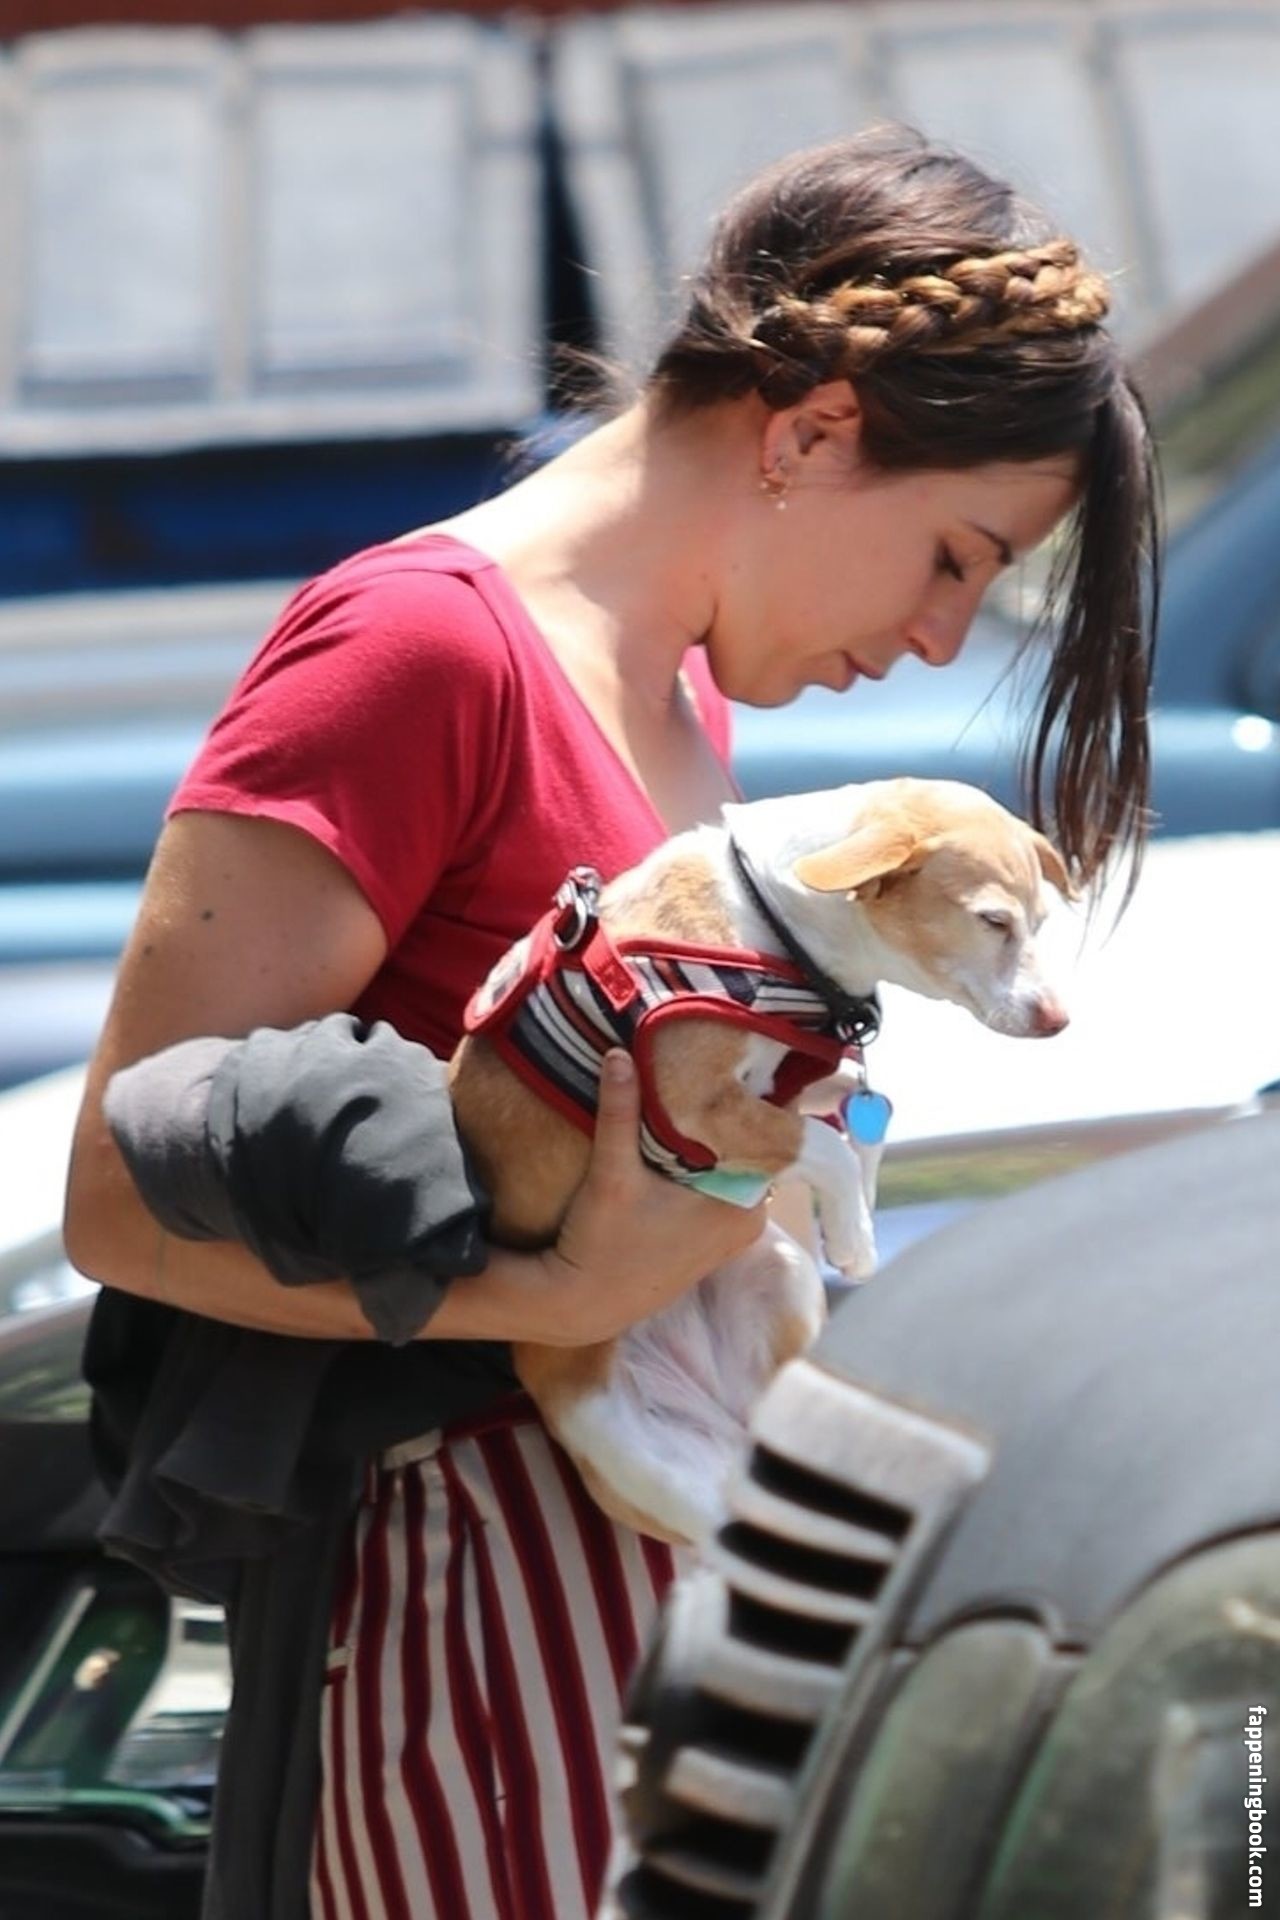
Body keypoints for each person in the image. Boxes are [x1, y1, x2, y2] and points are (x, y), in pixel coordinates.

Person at [63, 125, 1160, 1920]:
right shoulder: (422, 647)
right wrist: (558, 1297)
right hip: (477, 1602)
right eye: (954, 558)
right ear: (811, 432)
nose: (941, 634)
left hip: (644, 1572)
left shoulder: (669, 697)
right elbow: (122, 1200)